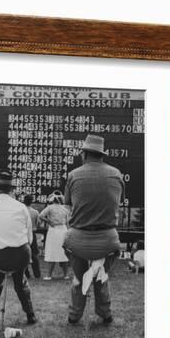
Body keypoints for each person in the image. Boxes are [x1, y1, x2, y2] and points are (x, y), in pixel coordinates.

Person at [63, 134, 125, 324]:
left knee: (80, 278)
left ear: (84, 154)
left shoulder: (74, 175)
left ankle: (74, 315)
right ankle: (105, 314)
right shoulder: (116, 174)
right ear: (101, 155)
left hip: (78, 240)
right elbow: (119, 203)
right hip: (107, 241)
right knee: (101, 277)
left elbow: (68, 204)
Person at [0, 169, 37, 327]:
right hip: (21, 254)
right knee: (20, 281)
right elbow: (29, 238)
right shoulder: (22, 208)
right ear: (12, 190)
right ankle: (30, 315)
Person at [39, 191, 70, 280]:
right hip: (63, 230)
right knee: (63, 252)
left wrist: (49, 221)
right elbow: (68, 221)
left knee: (51, 251)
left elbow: (40, 216)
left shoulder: (50, 208)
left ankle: (49, 275)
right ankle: (66, 275)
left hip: (53, 230)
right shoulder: (65, 209)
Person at [23, 194, 41, 278]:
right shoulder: (35, 212)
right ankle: (37, 274)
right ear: (32, 201)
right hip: (32, 233)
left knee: (22, 254)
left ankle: (26, 274)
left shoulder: (21, 211)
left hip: (22, 234)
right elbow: (38, 223)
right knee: (34, 255)